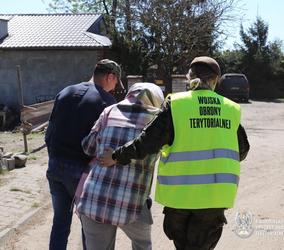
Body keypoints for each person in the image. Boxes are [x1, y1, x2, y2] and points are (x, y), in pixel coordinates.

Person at [100, 56, 250, 250]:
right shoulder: (230, 109)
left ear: (190, 78)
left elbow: (147, 143)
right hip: (214, 200)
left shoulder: (177, 104)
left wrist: (115, 156)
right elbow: (242, 151)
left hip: (180, 200)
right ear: (215, 80)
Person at [45, 59, 123, 250]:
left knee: (60, 223)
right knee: (90, 227)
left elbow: (49, 133)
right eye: (115, 83)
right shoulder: (107, 102)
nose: (114, 88)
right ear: (110, 76)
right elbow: (107, 144)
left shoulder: (66, 92)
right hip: (82, 172)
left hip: (55, 166)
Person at [76, 83, 164, 250]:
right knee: (142, 245)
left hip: (95, 201)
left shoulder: (109, 111)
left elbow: (88, 147)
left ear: (130, 94)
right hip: (133, 204)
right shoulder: (158, 120)